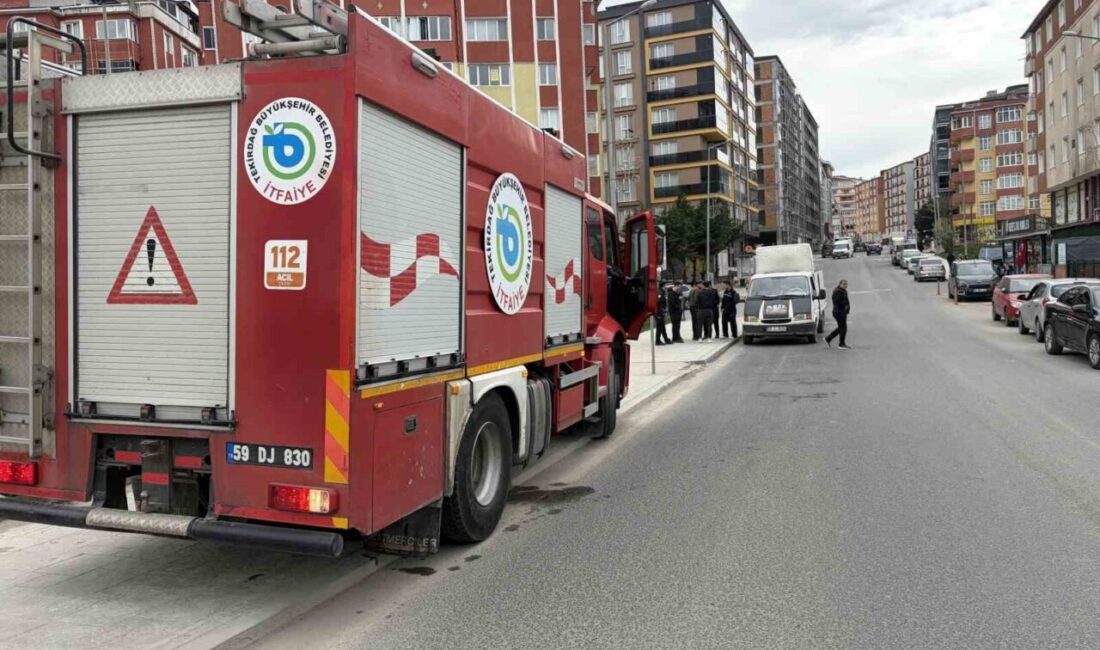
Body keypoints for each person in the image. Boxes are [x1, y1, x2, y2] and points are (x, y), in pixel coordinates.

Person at [825, 279, 850, 350]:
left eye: (846, 284)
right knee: (843, 328)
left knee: (841, 328)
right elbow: (837, 301)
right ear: (840, 284)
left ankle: (828, 338)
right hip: (839, 312)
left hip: (841, 312)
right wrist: (844, 306)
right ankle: (841, 344)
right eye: (844, 284)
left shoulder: (842, 290)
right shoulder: (838, 291)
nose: (846, 286)